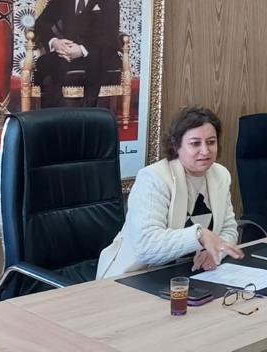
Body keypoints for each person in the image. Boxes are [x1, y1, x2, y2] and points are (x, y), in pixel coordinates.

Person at [96, 107, 243, 279]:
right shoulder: (153, 178)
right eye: (195, 143)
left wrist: (216, 252)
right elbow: (147, 246)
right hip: (134, 276)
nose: (205, 151)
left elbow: (229, 229)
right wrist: (199, 235)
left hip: (189, 274)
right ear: (176, 146)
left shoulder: (221, 175)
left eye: (211, 142)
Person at [34, 0, 121, 107]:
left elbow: (110, 35)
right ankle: (52, 116)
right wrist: (55, 42)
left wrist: (81, 50)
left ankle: (87, 116)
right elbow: (41, 23)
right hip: (64, 52)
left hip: (96, 52)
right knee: (45, 63)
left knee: (95, 64)